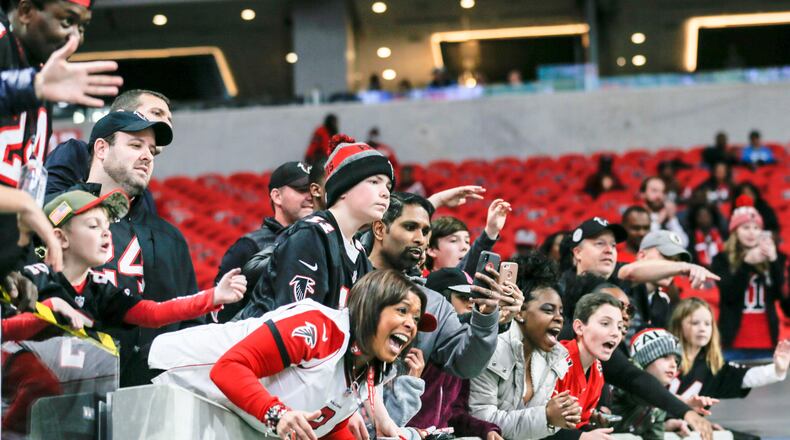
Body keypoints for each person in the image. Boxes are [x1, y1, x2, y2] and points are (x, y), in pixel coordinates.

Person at [4, 189, 246, 434]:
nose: (106, 232)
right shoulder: (30, 280)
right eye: (93, 225)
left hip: (79, 404)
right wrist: (51, 309)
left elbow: (152, 314)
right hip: (20, 412)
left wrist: (211, 297)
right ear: (60, 238)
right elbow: (5, 332)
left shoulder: (100, 288)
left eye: (107, 225)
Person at [149, 270, 436, 440]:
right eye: (401, 311)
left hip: (222, 416)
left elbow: (329, 431)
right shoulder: (319, 328)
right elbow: (228, 368)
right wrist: (277, 414)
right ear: (372, 306)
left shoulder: (363, 371)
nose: (411, 324)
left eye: (416, 318)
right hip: (169, 381)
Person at [69, 110, 202, 387]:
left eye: (151, 149)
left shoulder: (170, 239)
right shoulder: (60, 219)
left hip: (152, 408)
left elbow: (191, 329)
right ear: (102, 149)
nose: (147, 156)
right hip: (70, 395)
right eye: (135, 145)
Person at [557, 217, 716, 440]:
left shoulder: (624, 287)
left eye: (613, 245)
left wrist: (681, 410)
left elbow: (631, 376)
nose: (609, 251)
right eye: (599, 243)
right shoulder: (556, 296)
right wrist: (686, 268)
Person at [237, 136, 394, 319]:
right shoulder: (311, 236)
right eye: (374, 182)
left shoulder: (358, 252)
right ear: (343, 188)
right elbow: (296, 327)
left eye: (388, 186)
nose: (385, 193)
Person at [367, 192, 507, 379]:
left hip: (394, 408)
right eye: (410, 227)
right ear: (379, 229)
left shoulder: (434, 302)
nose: (420, 239)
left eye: (425, 232)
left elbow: (466, 365)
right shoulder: (345, 272)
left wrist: (486, 316)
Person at [469, 251, 582, 440]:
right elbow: (482, 419)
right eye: (548, 310)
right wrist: (546, 416)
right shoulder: (492, 349)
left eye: (561, 312)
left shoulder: (553, 359)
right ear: (520, 312)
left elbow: (529, 430)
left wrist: (558, 418)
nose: (559, 319)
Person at [406, 268, 503, 440]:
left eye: (474, 299)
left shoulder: (462, 353)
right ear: (440, 301)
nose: (471, 304)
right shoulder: (416, 349)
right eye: (464, 297)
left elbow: (454, 413)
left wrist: (485, 430)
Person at [45, 89, 173, 210]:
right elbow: (44, 207)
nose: (167, 123)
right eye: (157, 113)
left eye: (169, 119)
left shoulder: (143, 193)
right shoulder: (76, 152)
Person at [214, 161, 314, 314]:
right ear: (277, 196)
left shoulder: (321, 243)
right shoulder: (249, 246)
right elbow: (220, 312)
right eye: (302, 190)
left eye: (314, 190)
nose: (311, 197)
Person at [711, 199, 790, 359]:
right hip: (733, 342)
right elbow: (729, 294)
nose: (751, 232)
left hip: (766, 341)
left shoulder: (774, 259)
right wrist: (746, 263)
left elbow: (781, 298)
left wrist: (774, 262)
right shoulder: (721, 259)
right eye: (745, 227)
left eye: (756, 228)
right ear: (735, 231)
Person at [668, 298, 789, 400]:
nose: (702, 328)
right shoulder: (664, 359)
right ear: (678, 325)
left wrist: (778, 369)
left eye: (707, 323)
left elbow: (747, 377)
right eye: (695, 323)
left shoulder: (713, 367)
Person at [553, 292, 624, 436]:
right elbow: (536, 425)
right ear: (579, 327)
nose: (616, 333)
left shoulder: (597, 371)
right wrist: (582, 437)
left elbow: (580, 424)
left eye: (620, 327)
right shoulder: (555, 361)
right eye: (605, 323)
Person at [611, 328, 683, 440]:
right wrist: (680, 405)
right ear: (645, 360)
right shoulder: (625, 384)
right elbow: (641, 394)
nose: (674, 365)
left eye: (676, 361)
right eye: (665, 357)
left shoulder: (660, 404)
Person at [426, 198, 510, 272]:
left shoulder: (475, 286)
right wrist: (490, 231)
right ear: (431, 250)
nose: (464, 247)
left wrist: (492, 230)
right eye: (453, 240)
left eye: (467, 242)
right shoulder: (417, 284)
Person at [639, 177, 688, 247]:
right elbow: (647, 244)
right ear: (642, 194)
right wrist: (658, 222)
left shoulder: (670, 217)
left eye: (663, 192)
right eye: (654, 191)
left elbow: (683, 244)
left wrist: (672, 218)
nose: (659, 196)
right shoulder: (636, 215)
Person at [685, 203, 726, 268]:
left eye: (707, 215)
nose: (704, 219)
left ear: (712, 216)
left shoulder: (722, 234)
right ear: (695, 219)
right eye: (701, 216)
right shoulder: (691, 237)